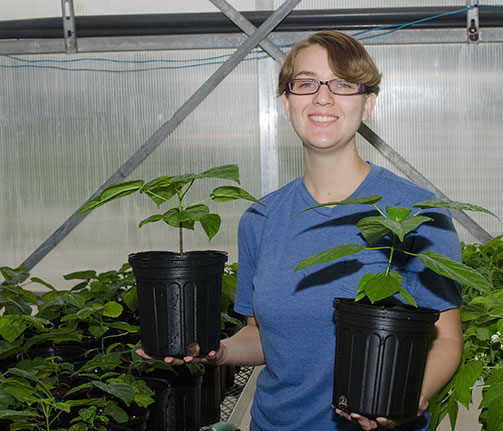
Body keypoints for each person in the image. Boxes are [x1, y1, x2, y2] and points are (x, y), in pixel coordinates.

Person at [138, 30, 463, 431]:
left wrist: (409, 401)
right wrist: (215, 351)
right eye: (306, 83)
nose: (323, 97)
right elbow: (261, 336)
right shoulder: (261, 218)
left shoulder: (416, 212)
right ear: (286, 103)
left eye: (342, 84)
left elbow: (446, 338)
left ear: (368, 104)